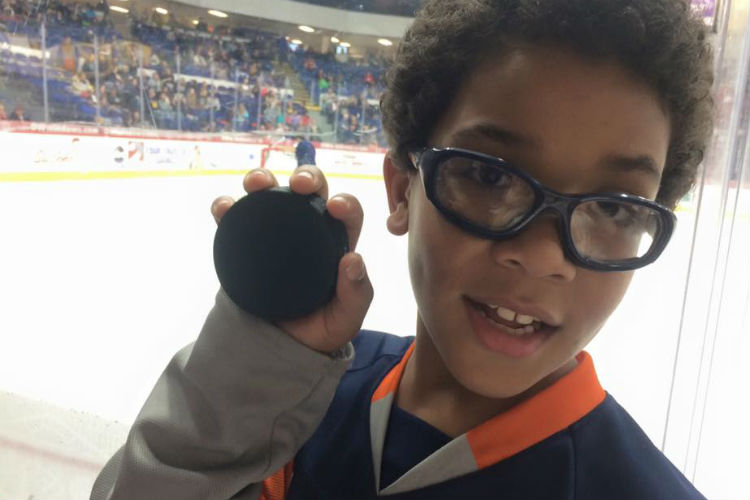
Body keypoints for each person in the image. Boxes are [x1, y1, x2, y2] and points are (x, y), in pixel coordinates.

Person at [91, 0, 713, 498]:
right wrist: (248, 369)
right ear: (401, 190)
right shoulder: (291, 395)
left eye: (614, 207)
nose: (546, 256)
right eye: (491, 176)